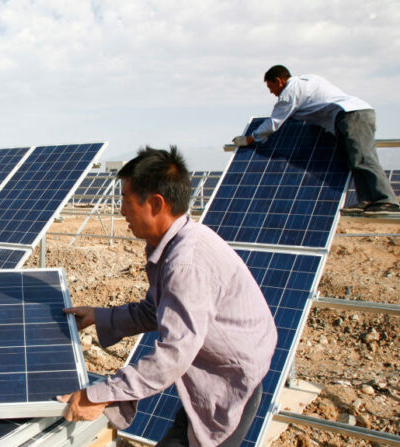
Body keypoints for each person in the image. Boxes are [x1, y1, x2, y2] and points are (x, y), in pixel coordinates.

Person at [59, 147, 277, 447]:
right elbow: (155, 309)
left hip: (230, 384)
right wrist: (101, 316)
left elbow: (173, 355)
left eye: (125, 199)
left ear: (156, 203)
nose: (121, 210)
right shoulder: (174, 243)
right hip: (215, 377)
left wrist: (99, 395)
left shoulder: (186, 264)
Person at [232, 65, 400, 216]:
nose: (271, 92)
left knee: (363, 157)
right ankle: (367, 200)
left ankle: (386, 200)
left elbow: (273, 123)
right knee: (354, 160)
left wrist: (249, 139)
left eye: (271, 86)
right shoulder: (309, 79)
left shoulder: (290, 93)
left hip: (352, 115)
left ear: (279, 81)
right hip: (347, 116)